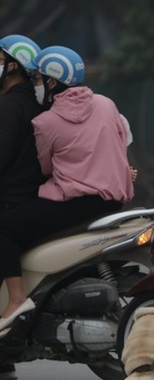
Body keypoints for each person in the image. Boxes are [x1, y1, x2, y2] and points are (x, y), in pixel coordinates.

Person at [0, 45, 134, 337]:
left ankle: (16, 299)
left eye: (37, 78)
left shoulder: (45, 122)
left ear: (51, 81)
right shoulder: (105, 104)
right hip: (113, 202)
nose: (35, 84)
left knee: (6, 229)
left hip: (75, 203)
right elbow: (121, 141)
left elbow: (46, 167)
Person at [0, 34, 43, 380]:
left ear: (13, 65)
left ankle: (14, 302)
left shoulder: (11, 105)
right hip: (29, 194)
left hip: (11, 197)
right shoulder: (32, 103)